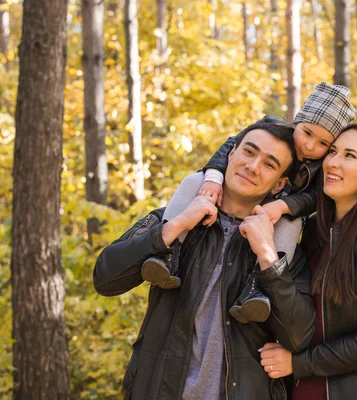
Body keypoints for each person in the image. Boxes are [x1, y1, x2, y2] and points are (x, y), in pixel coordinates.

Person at [93, 121, 317, 400]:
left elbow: (298, 337)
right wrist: (174, 227)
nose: (253, 166)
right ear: (231, 153)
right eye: (249, 152)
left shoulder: (281, 251)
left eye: (269, 165)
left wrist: (267, 257)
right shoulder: (175, 217)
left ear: (280, 184)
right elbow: (105, 278)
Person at [141, 82, 357, 324]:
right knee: (194, 181)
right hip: (242, 199)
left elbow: (313, 199)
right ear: (298, 121)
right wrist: (213, 176)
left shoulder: (320, 168)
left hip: (276, 215)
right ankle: (168, 254)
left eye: (322, 144)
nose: (309, 146)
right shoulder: (272, 128)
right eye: (307, 133)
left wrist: (284, 206)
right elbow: (228, 147)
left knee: (291, 223)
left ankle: (256, 287)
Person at [258, 124, 357, 399]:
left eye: (349, 156)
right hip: (297, 388)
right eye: (332, 151)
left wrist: (299, 363)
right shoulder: (314, 229)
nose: (333, 162)